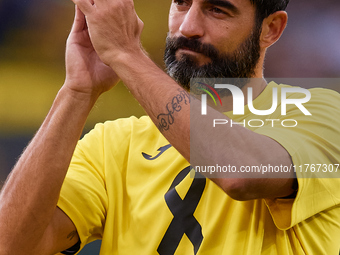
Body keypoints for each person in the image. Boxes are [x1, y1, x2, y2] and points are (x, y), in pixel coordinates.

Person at [0, 0, 340, 254]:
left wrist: (125, 53)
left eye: (217, 9)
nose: (188, 26)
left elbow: (240, 174)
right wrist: (77, 91)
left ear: (271, 29)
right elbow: (11, 245)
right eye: (181, 3)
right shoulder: (114, 143)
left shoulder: (322, 113)